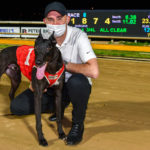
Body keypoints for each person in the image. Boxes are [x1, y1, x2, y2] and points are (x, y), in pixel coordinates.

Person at [10, 1, 99, 145]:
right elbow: (37, 57)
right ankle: (58, 108)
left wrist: (64, 65)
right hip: (50, 84)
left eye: (59, 18)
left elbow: (94, 71)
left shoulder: (78, 36)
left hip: (71, 86)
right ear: (44, 21)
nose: (55, 23)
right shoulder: (44, 34)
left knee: (78, 83)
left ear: (67, 19)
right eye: (50, 19)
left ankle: (78, 124)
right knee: (17, 107)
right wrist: (35, 77)